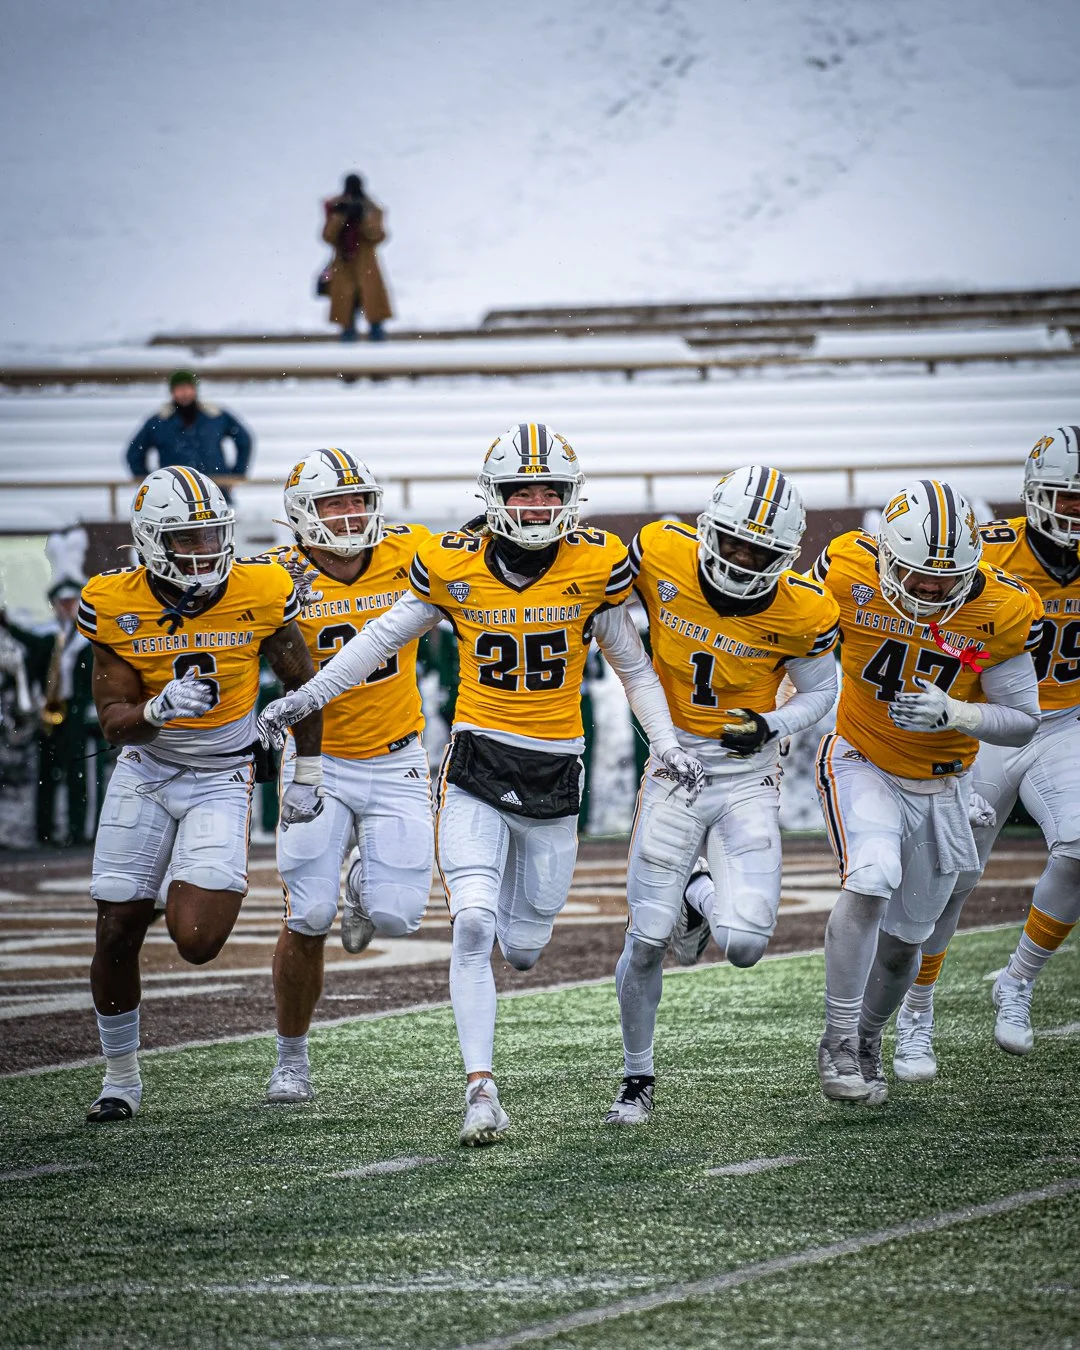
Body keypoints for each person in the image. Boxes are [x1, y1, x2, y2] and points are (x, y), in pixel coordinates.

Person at [257, 423, 704, 1147]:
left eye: (550, 492)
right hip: (475, 761)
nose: (537, 505)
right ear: (494, 496)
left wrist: (669, 741)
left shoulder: (595, 563)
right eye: (523, 491)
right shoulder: (452, 564)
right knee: (470, 924)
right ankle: (480, 1091)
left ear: (571, 496)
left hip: (554, 769)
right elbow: (379, 639)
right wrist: (306, 698)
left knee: (522, 947)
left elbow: (633, 666)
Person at [76, 466, 322, 1123]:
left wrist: (309, 771)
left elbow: (303, 686)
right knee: (116, 927)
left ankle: (166, 883)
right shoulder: (113, 600)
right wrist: (155, 709)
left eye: (213, 535)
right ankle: (120, 1079)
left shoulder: (260, 589)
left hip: (221, 773)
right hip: (147, 768)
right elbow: (113, 723)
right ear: (151, 541)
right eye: (187, 538)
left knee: (197, 940)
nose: (205, 550)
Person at [605, 468, 841, 1125]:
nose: (741, 558)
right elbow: (598, 592)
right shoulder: (661, 551)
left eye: (759, 551)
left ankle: (698, 893)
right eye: (733, 541)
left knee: (744, 943)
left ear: (784, 555)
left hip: (747, 775)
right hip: (675, 763)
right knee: (646, 936)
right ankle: (636, 1076)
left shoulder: (804, 610)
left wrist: (772, 724)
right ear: (708, 530)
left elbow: (823, 691)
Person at [810, 479, 1042, 1105]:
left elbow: (1023, 721)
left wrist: (957, 713)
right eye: (918, 574)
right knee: (871, 876)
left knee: (904, 945)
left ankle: (867, 1040)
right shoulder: (847, 571)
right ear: (885, 555)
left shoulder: (999, 609)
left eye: (947, 579)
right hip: (862, 757)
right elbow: (793, 643)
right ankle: (837, 1040)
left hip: (942, 784)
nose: (932, 590)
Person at [893, 429, 1080, 1076]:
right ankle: (917, 1008)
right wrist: (972, 677)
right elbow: (935, 624)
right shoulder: (991, 551)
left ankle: (1018, 980)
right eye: (1065, 497)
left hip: (1065, 722)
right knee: (954, 876)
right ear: (1034, 495)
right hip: (981, 727)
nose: (1074, 511)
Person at [262, 448, 433, 1103]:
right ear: (303, 513)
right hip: (317, 761)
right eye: (335, 503)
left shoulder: (411, 551)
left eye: (360, 500)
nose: (352, 514)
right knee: (308, 913)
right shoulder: (274, 575)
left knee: (399, 917)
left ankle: (364, 883)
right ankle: (291, 1059)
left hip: (397, 755)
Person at [125, 371, 253, 484]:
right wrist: (151, 484)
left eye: (188, 388)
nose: (184, 393)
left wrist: (236, 475)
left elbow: (244, 440)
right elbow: (134, 453)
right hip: (175, 491)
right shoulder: (159, 421)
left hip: (215, 488)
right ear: (172, 392)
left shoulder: (215, 416)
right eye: (179, 389)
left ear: (195, 389)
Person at [321, 173, 392, 342]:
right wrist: (341, 216)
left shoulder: (371, 208)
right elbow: (328, 236)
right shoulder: (337, 207)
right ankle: (348, 340)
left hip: (366, 264)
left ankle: (377, 340)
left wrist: (363, 217)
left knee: (373, 306)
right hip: (344, 264)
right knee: (346, 308)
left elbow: (378, 235)